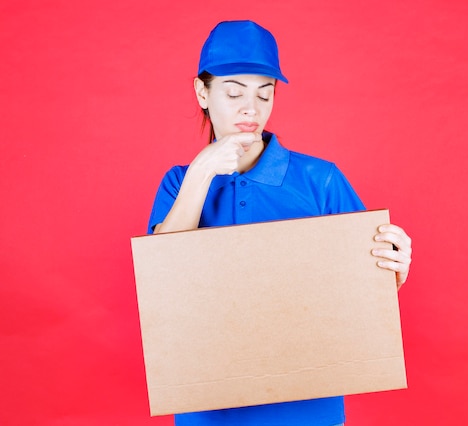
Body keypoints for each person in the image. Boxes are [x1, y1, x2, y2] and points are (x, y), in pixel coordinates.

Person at [148, 19, 412, 426]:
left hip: (308, 405)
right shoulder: (179, 184)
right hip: (208, 402)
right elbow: (160, 279)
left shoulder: (320, 180)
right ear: (203, 92)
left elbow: (367, 290)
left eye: (264, 94)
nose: (250, 108)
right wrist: (202, 173)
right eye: (233, 92)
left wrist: (393, 270)